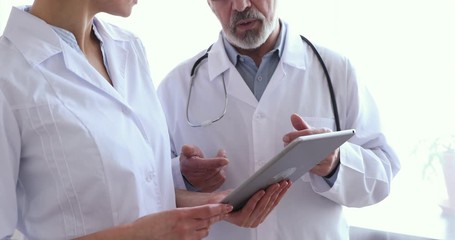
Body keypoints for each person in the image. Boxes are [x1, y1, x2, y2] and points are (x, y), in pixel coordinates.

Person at [0, 0, 291, 239]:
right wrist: (135, 235)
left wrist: (209, 202)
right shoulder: (8, 75)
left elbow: (128, 187)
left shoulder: (128, 48)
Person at [157, 0, 401, 239]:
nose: (241, 6)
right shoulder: (177, 87)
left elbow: (382, 175)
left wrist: (336, 163)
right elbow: (146, 186)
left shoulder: (337, 71)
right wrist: (183, 176)